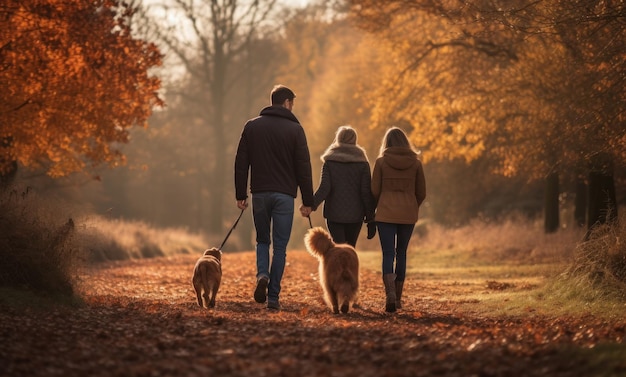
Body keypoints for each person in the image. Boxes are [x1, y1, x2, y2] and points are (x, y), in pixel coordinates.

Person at [234, 85, 314, 311]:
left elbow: (241, 163)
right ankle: (273, 298)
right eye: (293, 103)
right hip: (284, 196)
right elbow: (303, 168)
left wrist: (241, 193)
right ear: (287, 102)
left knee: (262, 240)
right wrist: (308, 201)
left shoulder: (252, 127)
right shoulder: (295, 130)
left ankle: (262, 274)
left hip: (259, 193)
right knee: (280, 247)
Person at [371, 127, 426, 313]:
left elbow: (374, 191)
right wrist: (411, 204)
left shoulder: (380, 162)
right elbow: (421, 192)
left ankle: (390, 295)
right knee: (401, 252)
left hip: (385, 213)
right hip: (408, 213)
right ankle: (399, 297)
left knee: (388, 253)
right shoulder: (416, 164)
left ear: (386, 142)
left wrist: (380, 205)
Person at [310, 125, 375, 247]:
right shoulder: (362, 163)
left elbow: (325, 188)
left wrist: (311, 205)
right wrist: (370, 218)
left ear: (338, 139)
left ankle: (337, 266)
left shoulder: (330, 162)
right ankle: (349, 267)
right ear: (354, 140)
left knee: (338, 249)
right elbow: (365, 192)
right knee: (350, 249)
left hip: (334, 214)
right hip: (356, 215)